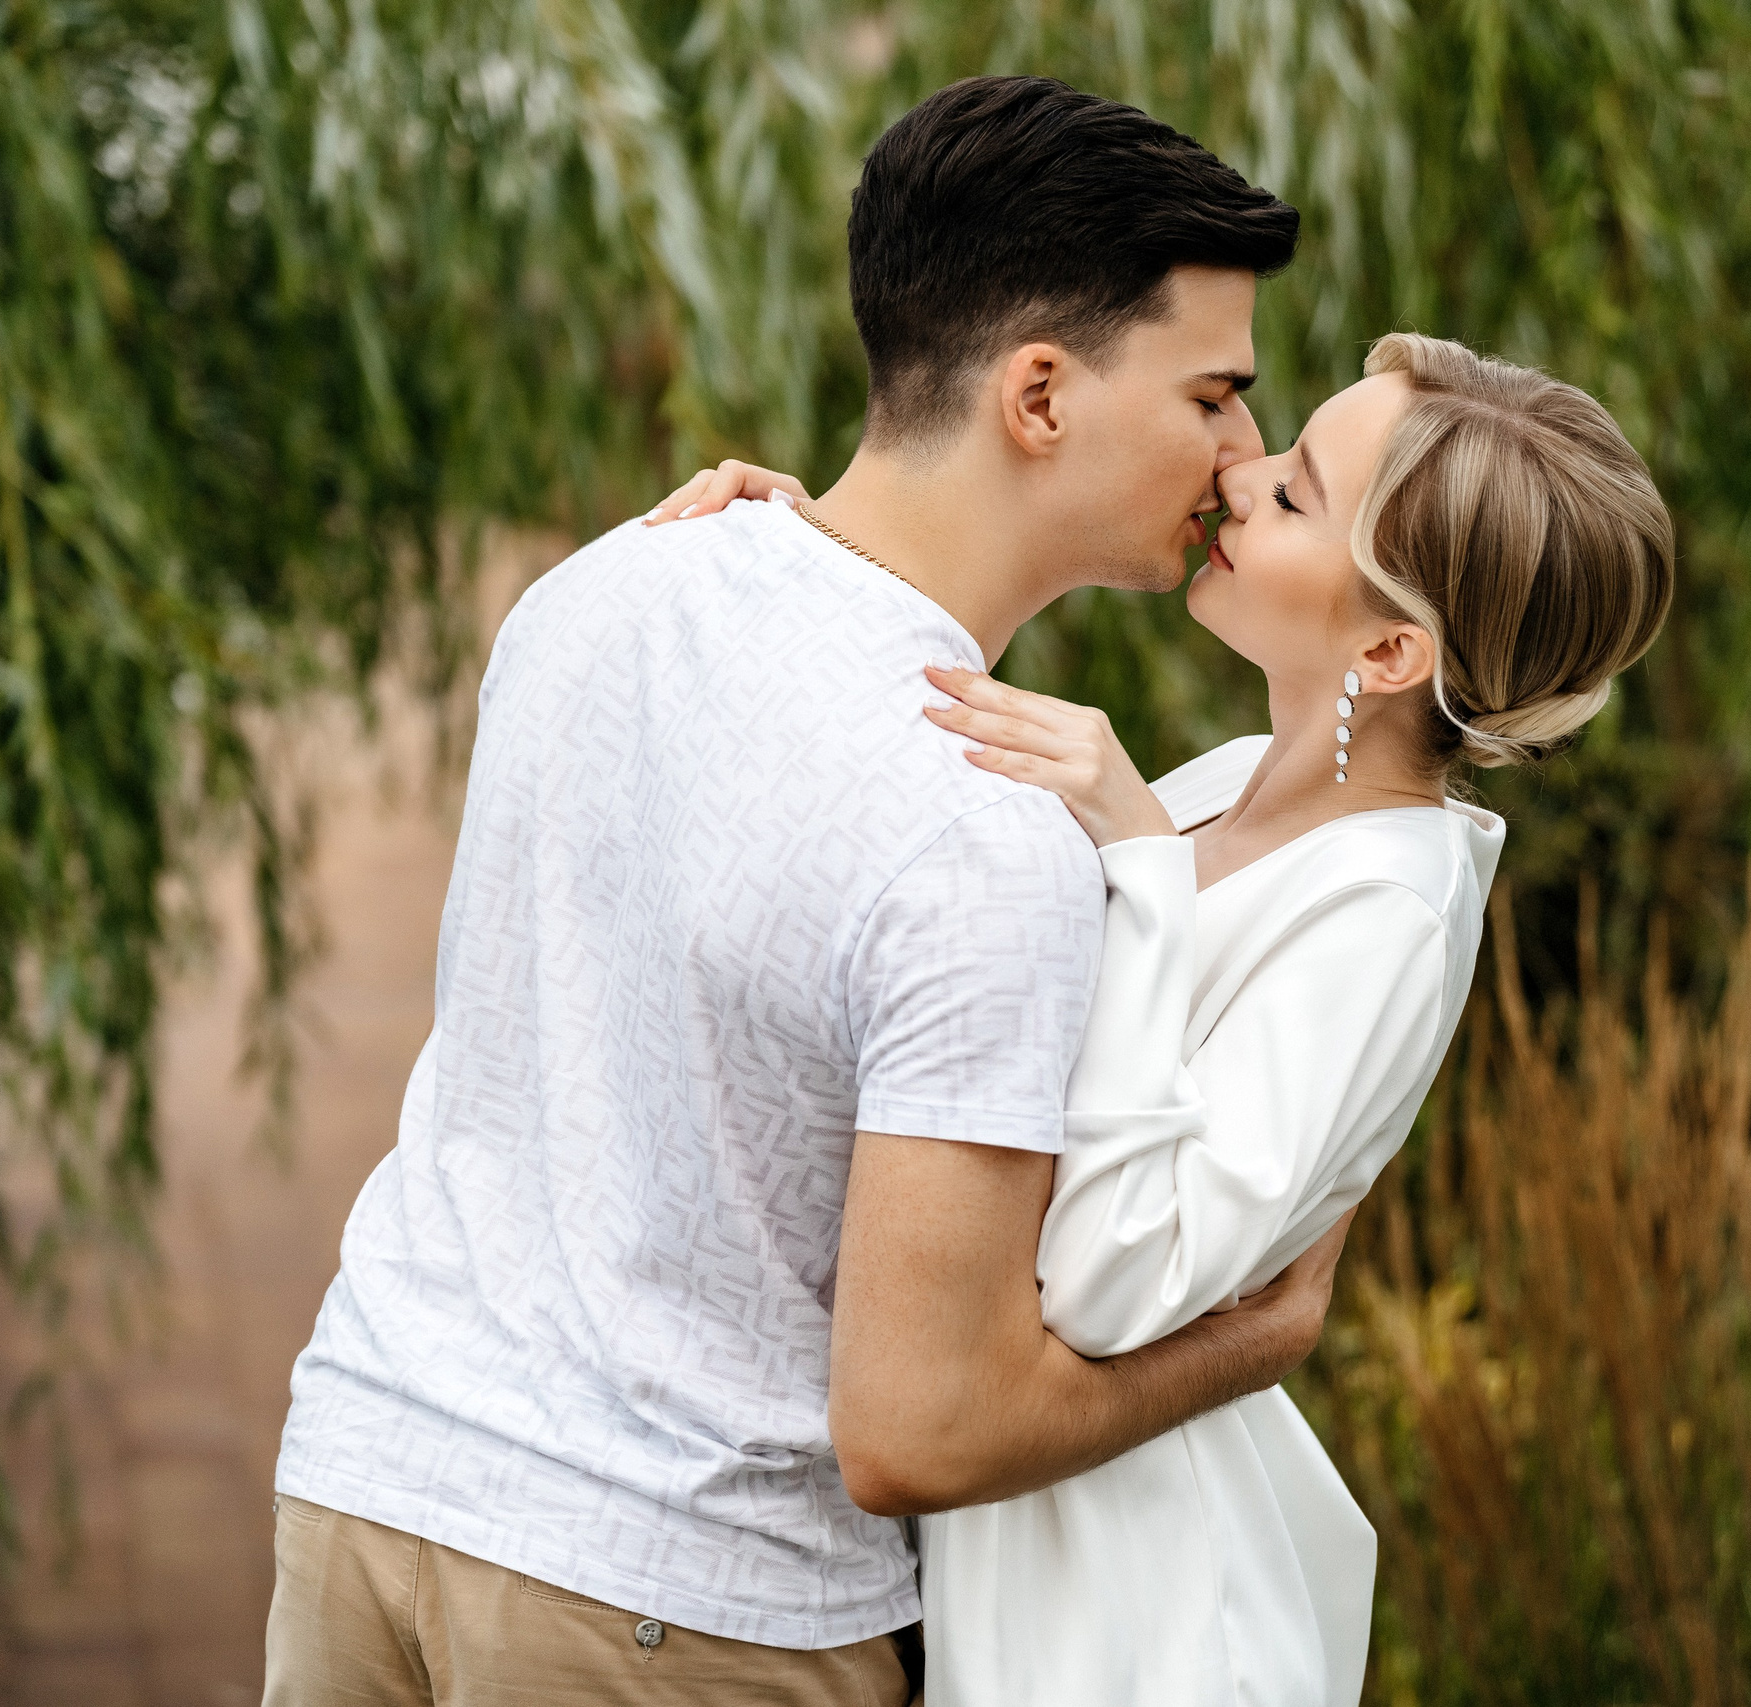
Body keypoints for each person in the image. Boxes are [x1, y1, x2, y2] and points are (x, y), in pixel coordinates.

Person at [262, 76, 1335, 1707]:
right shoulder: (979, 830)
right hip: (672, 1610)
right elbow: (918, 1430)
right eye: (1214, 396)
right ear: (1038, 395)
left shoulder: (601, 586)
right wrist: (1250, 1343)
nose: (1245, 453)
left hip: (365, 1489)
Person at [657, 329, 1675, 1703]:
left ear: (1386, 646)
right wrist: (806, 567)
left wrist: (1138, 861)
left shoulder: (1387, 912)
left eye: (1300, 493)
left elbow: (1110, 1279)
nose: (1243, 473)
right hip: (984, 1562)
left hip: (1132, 1632)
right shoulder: (1234, 781)